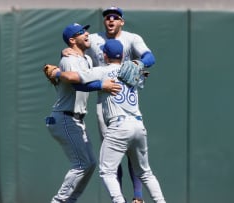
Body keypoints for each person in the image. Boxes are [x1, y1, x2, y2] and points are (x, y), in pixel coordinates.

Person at [46, 39, 166, 203]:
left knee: (107, 171)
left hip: (119, 126)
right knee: (145, 173)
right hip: (138, 125)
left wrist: (57, 73)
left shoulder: (102, 71)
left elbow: (74, 78)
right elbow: (143, 71)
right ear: (123, 55)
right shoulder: (134, 71)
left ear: (104, 55)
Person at [62, 6, 156, 203]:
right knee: (112, 153)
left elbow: (150, 57)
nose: (111, 20)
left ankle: (137, 197)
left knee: (132, 153)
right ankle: (119, 197)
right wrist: (68, 51)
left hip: (126, 100)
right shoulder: (95, 39)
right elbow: (79, 46)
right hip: (104, 100)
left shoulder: (131, 38)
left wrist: (138, 64)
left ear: (122, 21)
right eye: (107, 17)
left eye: (115, 17)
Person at [44, 23, 121, 203]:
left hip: (75, 119)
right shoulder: (69, 59)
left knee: (90, 164)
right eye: (81, 32)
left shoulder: (86, 59)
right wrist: (102, 85)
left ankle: (69, 201)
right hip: (65, 116)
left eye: (86, 31)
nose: (87, 34)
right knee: (81, 164)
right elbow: (77, 83)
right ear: (72, 40)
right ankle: (59, 201)